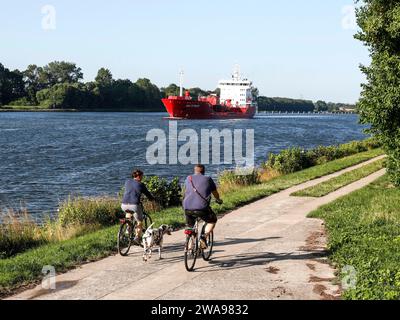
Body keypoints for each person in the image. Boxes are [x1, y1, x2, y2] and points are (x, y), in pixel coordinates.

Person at [183, 164, 223, 249]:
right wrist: (218, 200)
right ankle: (203, 237)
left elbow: (186, 191)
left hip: (187, 207)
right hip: (201, 208)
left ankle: (190, 245)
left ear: (195, 171)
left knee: (191, 227)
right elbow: (215, 193)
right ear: (204, 171)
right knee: (212, 220)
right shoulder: (208, 179)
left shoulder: (188, 178)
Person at [121, 169, 155, 244]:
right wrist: (152, 199)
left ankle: (128, 228)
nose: (142, 178)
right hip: (134, 205)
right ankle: (137, 237)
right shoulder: (141, 184)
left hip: (123, 205)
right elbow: (148, 194)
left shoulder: (127, 181)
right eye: (142, 176)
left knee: (129, 213)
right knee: (139, 222)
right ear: (139, 176)